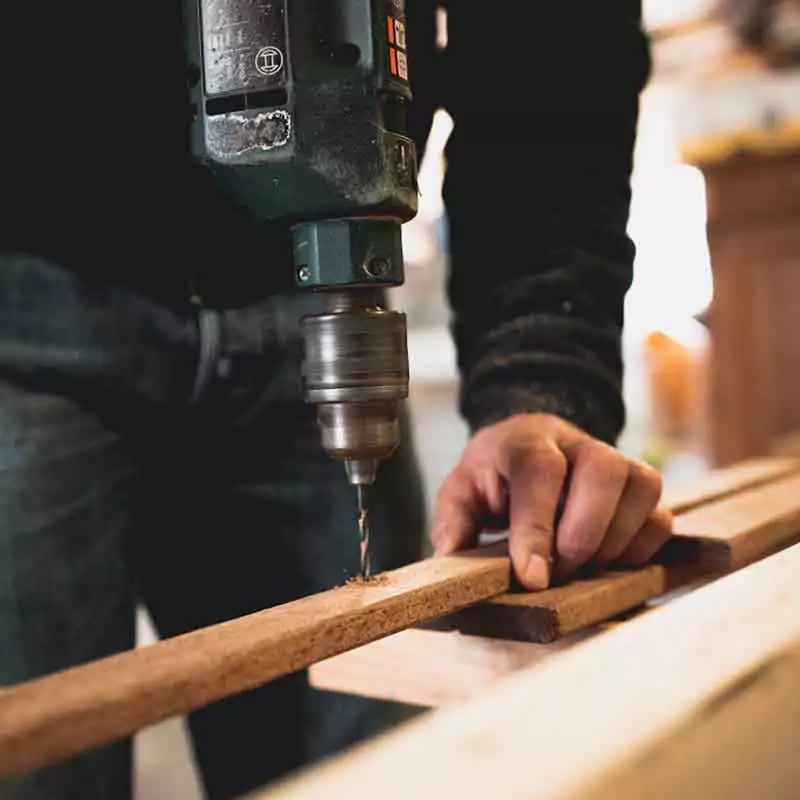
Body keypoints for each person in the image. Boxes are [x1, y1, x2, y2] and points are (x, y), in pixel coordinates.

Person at [0, 1, 671, 797]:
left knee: (374, 764)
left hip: (313, 281)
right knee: (36, 757)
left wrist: (542, 370)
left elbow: (555, 39)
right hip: (23, 290)